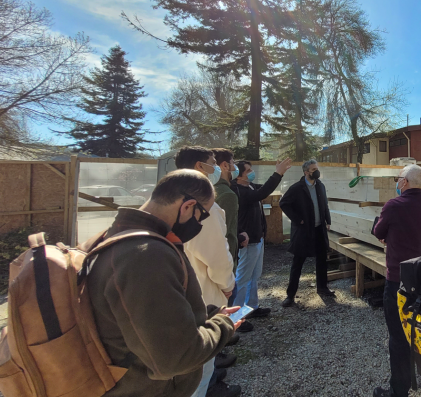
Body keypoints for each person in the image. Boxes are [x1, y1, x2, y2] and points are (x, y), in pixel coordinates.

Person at [86, 169, 244, 397]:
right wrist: (223, 324)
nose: (199, 223)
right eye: (202, 215)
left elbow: (145, 315)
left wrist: (206, 314)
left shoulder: (114, 237)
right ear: (188, 206)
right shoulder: (147, 255)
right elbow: (177, 358)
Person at [174, 146, 241, 397]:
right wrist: (227, 284)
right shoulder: (204, 205)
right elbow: (217, 255)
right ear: (200, 167)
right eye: (213, 162)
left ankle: (211, 380)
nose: (218, 167)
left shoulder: (173, 199)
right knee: (200, 365)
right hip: (204, 293)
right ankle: (209, 386)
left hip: (182, 289)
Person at [372, 164, 421, 397]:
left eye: (398, 179)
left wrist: (384, 231)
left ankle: (398, 391)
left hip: (398, 282)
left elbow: (379, 232)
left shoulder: (393, 205)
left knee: (399, 340)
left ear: (404, 182)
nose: (396, 183)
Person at [230, 157, 293, 328]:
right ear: (239, 176)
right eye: (248, 171)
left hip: (257, 239)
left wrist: (278, 175)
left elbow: (265, 188)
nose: (252, 173)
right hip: (248, 241)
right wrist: (278, 173)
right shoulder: (238, 191)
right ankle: (236, 316)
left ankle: (251, 308)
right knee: (242, 278)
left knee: (254, 277)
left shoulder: (248, 186)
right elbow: (262, 193)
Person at [279, 159, 334, 307]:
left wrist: (328, 221)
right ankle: (290, 295)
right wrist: (297, 220)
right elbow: (283, 203)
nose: (316, 171)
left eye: (317, 168)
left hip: (319, 229)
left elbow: (325, 205)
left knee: (322, 260)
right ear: (306, 172)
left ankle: (322, 288)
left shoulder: (320, 186)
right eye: (313, 169)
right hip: (304, 231)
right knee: (298, 262)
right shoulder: (297, 188)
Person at [212, 148, 240, 270]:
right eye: (233, 163)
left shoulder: (207, 190)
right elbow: (222, 236)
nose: (235, 167)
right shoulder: (227, 195)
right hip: (223, 266)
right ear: (225, 165)